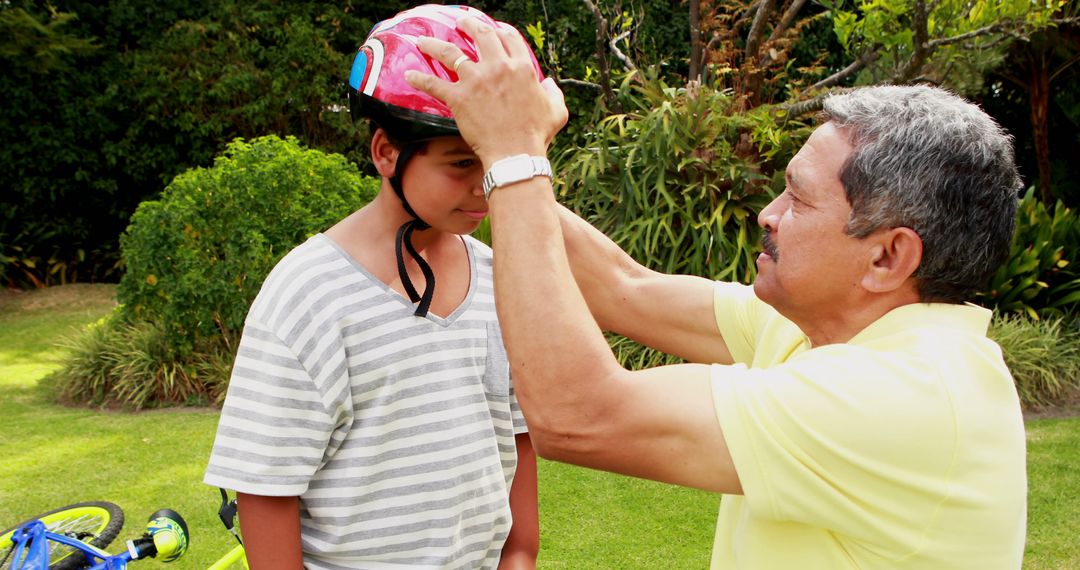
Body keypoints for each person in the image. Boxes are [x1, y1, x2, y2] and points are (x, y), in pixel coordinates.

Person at [406, 15, 1028, 569]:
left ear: (888, 256)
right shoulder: (823, 325)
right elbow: (627, 291)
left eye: (799, 199)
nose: (769, 214)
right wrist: (503, 158)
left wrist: (512, 158)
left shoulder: (903, 398)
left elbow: (580, 417)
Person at [203, 6, 544, 569]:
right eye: (462, 162)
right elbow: (265, 485)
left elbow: (517, 436)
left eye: (495, 159)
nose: (486, 184)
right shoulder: (309, 294)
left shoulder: (500, 277)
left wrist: (520, 557)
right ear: (386, 151)